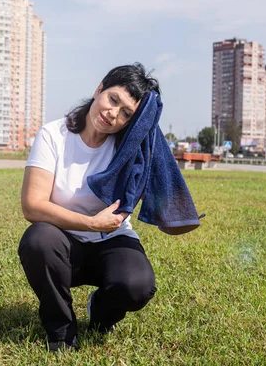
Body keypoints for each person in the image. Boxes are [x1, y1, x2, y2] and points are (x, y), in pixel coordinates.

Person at [19, 63, 160, 352]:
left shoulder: (129, 150)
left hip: (111, 240)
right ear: (98, 90)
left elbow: (162, 185)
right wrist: (91, 223)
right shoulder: (53, 135)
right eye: (113, 99)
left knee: (137, 286)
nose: (113, 114)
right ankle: (61, 331)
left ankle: (100, 312)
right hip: (62, 243)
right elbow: (32, 206)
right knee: (37, 240)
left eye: (126, 114)